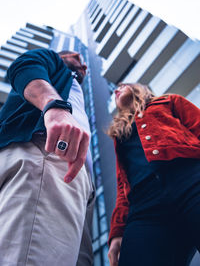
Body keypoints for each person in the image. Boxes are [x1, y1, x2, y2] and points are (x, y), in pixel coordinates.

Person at [0, 48, 95, 266]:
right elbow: (23, 65)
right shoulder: (54, 65)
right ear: (62, 57)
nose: (83, 65)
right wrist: (55, 107)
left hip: (75, 182)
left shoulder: (76, 90)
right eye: (76, 57)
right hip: (45, 154)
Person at [107, 83, 200, 266]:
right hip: (143, 204)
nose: (117, 90)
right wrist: (117, 232)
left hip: (191, 179)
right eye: (115, 91)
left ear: (139, 88)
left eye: (123, 86)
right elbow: (122, 184)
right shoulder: (119, 135)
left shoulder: (169, 101)